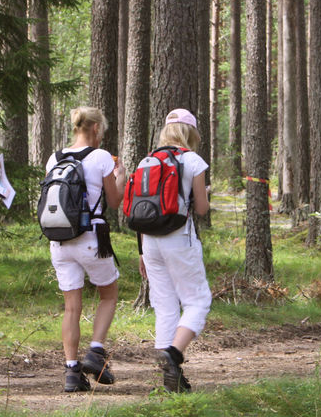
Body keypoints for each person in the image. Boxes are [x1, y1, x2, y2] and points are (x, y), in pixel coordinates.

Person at [45, 106, 125, 393]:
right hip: (92, 236)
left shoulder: (54, 157)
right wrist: (121, 175)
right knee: (109, 294)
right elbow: (114, 200)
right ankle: (95, 351)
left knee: (71, 307)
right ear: (95, 129)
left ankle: (71, 372)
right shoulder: (101, 157)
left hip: (60, 240)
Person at [139, 108, 212, 393]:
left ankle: (169, 376)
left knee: (165, 305)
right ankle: (173, 354)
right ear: (190, 132)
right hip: (179, 237)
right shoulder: (193, 160)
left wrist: (142, 252)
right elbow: (202, 209)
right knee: (198, 301)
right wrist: (204, 192)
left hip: (150, 240)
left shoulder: (148, 160)